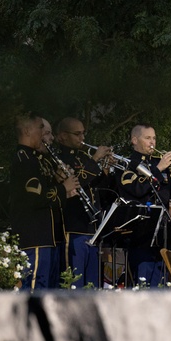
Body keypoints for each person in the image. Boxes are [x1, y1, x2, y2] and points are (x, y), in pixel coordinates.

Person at [10, 114, 76, 289]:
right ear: (27, 130)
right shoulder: (24, 160)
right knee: (35, 287)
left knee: (50, 289)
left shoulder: (38, 160)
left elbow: (45, 191)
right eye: (40, 128)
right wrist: (63, 188)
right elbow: (35, 198)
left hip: (49, 237)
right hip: (35, 237)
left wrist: (60, 183)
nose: (44, 134)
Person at [116, 124, 171, 286]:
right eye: (147, 138)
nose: (152, 142)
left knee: (161, 283)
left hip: (163, 232)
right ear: (134, 140)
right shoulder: (128, 165)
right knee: (143, 283)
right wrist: (159, 168)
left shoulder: (157, 163)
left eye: (154, 138)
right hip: (141, 233)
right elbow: (138, 189)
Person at [54, 117, 110, 287]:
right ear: (63, 136)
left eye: (83, 133)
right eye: (77, 134)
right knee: (74, 284)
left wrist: (106, 169)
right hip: (73, 228)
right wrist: (94, 161)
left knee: (92, 286)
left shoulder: (82, 157)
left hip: (91, 229)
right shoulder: (58, 158)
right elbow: (77, 182)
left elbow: (98, 188)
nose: (82, 138)